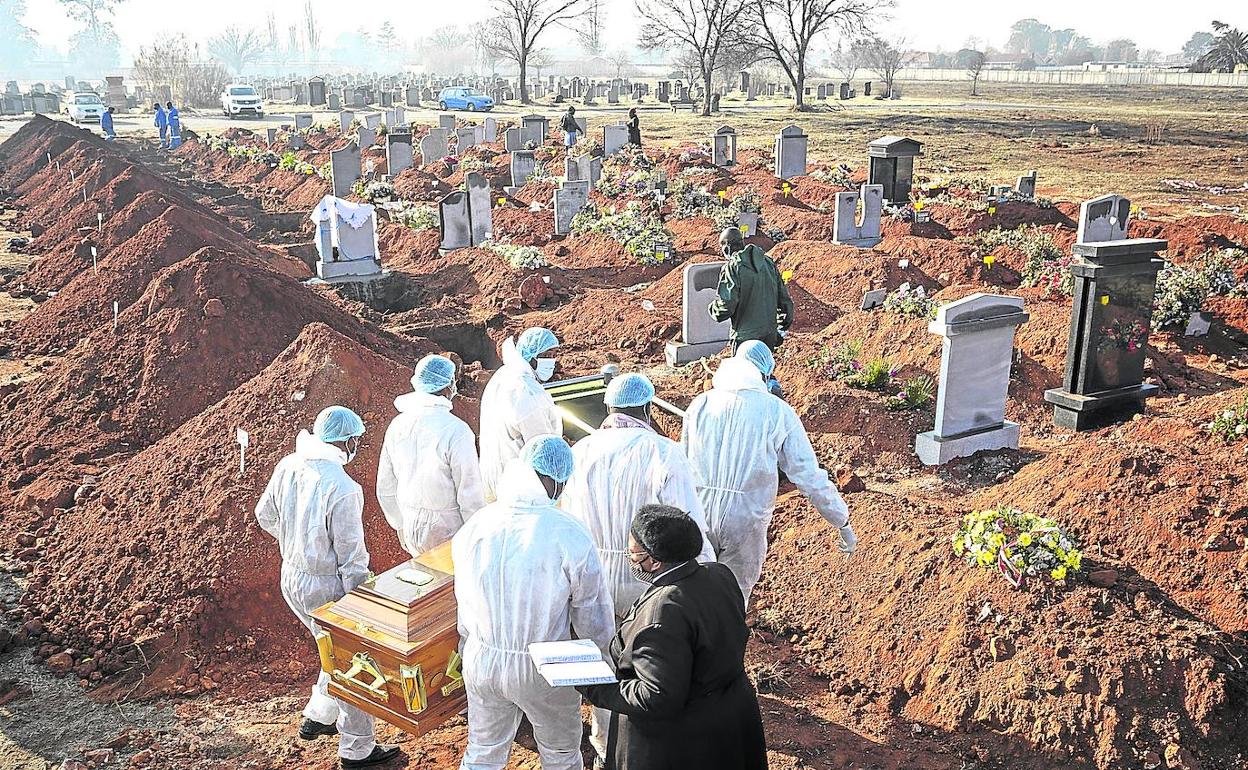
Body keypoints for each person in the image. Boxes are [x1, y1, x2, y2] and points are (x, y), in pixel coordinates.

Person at [559, 372, 716, 765]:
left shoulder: (579, 452)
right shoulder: (663, 452)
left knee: (602, 663)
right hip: (644, 575)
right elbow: (687, 524)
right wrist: (709, 572)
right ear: (647, 408)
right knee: (653, 660)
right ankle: (648, 743)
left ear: (608, 409)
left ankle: (604, 747)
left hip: (590, 577)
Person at [452, 435, 615, 770]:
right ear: (556, 480)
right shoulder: (567, 531)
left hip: (481, 658)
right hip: (546, 664)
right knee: (560, 752)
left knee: (483, 749)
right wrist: (603, 665)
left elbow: (463, 600)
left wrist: (469, 645)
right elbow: (592, 613)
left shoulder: (476, 525)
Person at [254, 406, 401, 769]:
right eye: (357, 441)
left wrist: (297, 545)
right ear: (348, 440)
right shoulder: (342, 487)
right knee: (352, 660)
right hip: (327, 588)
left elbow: (264, 516)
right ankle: (358, 749)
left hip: (291, 576)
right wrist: (362, 603)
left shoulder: (288, 465)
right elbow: (352, 557)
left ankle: (319, 713)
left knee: (330, 650)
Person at [579, 505, 767, 770]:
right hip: (730, 717)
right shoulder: (719, 574)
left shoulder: (662, 614)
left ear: (654, 561)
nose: (631, 560)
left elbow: (656, 696)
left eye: (633, 555)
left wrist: (596, 688)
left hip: (682, 741)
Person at [682, 355, 856, 604]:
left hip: (699, 513)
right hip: (746, 519)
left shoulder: (700, 404)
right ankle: (725, 641)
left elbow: (684, 462)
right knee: (732, 600)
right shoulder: (776, 411)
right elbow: (807, 474)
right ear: (763, 375)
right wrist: (841, 520)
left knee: (693, 596)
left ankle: (691, 641)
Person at [377, 354, 485, 557]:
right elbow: (470, 494)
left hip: (411, 524)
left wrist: (400, 524)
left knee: (427, 581)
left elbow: (386, 485)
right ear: (446, 387)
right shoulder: (456, 430)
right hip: (449, 530)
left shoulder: (398, 425)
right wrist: (477, 537)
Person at [478, 327, 562, 503]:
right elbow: (543, 448)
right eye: (546, 355)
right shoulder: (527, 391)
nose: (552, 361)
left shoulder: (504, 376)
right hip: (522, 489)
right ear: (531, 355)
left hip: (495, 478)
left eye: (554, 354)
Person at [708, 226, 794, 352]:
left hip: (745, 337)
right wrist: (782, 325)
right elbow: (784, 299)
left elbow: (727, 305)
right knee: (763, 369)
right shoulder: (767, 262)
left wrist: (713, 309)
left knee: (745, 371)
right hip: (769, 334)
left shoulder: (732, 268)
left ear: (727, 247)